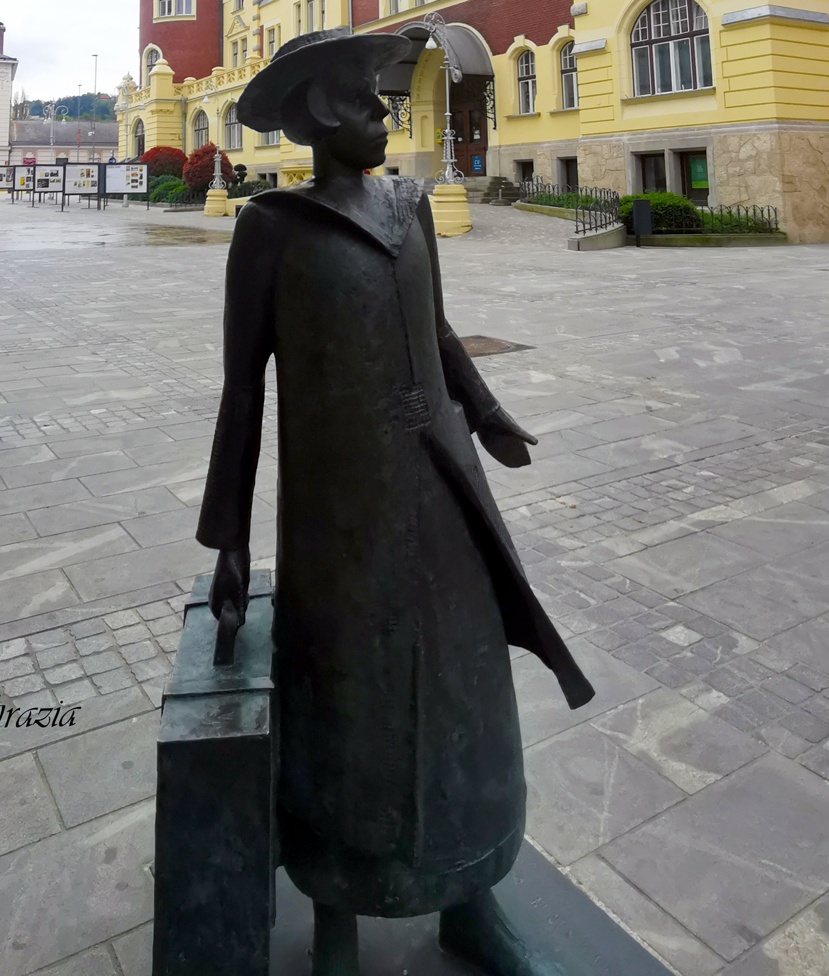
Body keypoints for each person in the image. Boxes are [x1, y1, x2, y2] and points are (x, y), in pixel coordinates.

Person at [199, 28, 593, 976]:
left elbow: (439, 331)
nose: (387, 114)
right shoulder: (272, 233)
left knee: (464, 681)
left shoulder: (410, 208)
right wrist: (230, 540)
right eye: (367, 101)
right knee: (344, 697)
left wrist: (487, 414)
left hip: (438, 484)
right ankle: (336, 921)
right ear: (322, 118)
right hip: (336, 511)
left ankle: (472, 898)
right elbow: (243, 390)